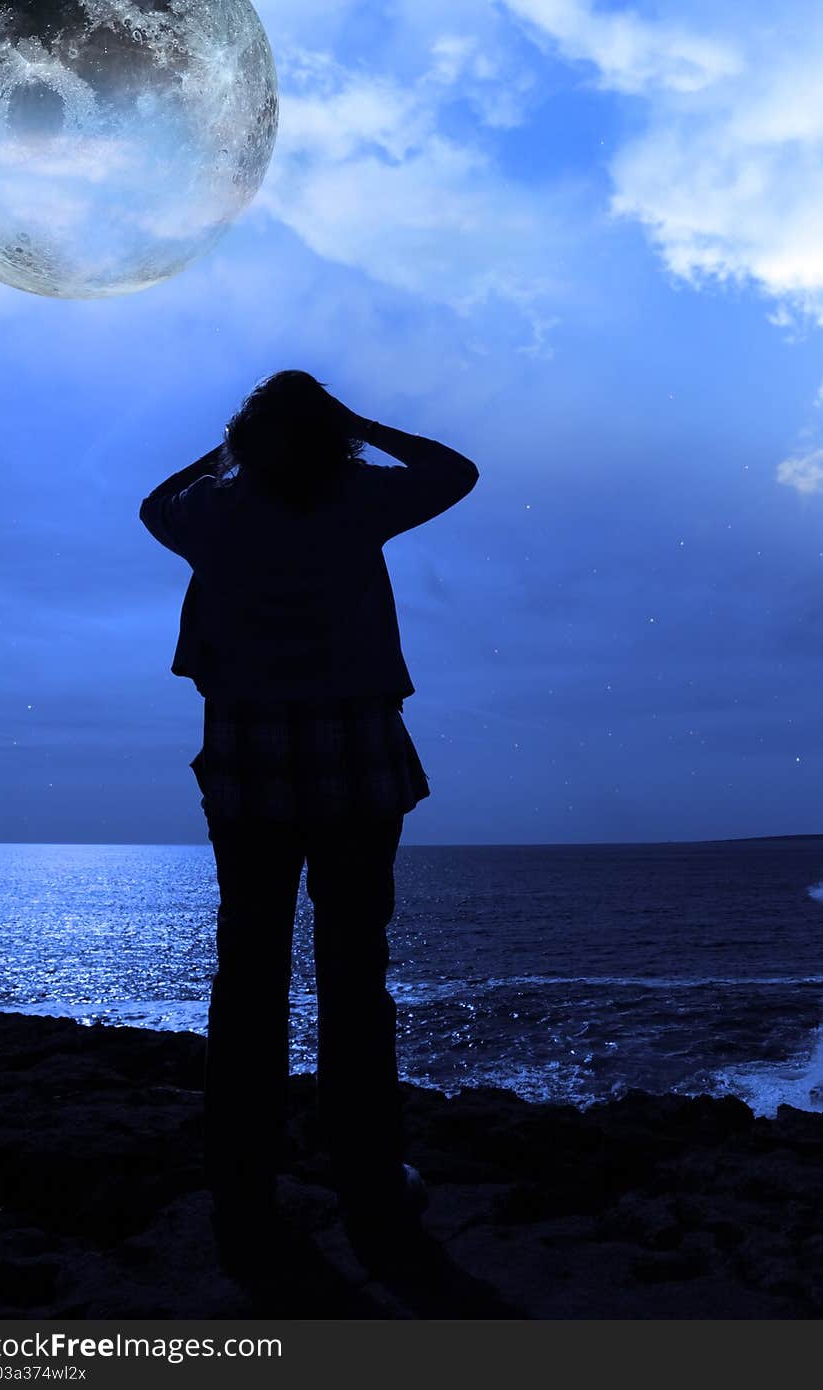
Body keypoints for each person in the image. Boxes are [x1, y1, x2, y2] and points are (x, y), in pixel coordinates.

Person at [139, 370, 479, 1282]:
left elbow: (151, 504)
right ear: (332, 436)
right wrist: (359, 423)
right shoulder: (361, 495)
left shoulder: (213, 508)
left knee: (247, 968)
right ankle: (367, 1178)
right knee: (355, 970)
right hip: (354, 745)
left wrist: (230, 452)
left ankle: (241, 1183)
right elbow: (456, 471)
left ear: (244, 441)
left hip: (247, 750)